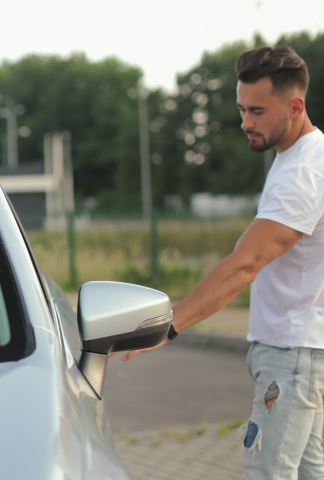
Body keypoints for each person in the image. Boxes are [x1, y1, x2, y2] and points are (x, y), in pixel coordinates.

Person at [122, 45, 324, 479]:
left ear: (295, 106)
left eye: (257, 111)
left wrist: (170, 324)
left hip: (292, 355)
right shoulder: (300, 156)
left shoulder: (303, 174)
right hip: (300, 349)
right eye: (241, 109)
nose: (245, 123)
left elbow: (244, 265)